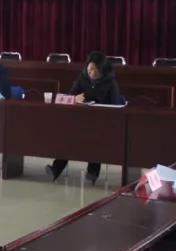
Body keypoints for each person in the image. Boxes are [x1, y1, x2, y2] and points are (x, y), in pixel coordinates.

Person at [46, 51, 123, 185]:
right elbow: (68, 96)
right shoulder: (82, 78)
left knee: (95, 138)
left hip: (102, 122)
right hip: (81, 120)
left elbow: (116, 106)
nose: (91, 73)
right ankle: (56, 169)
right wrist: (74, 98)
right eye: (89, 69)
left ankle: (93, 172)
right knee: (69, 136)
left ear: (102, 70)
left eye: (95, 70)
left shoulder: (111, 83)